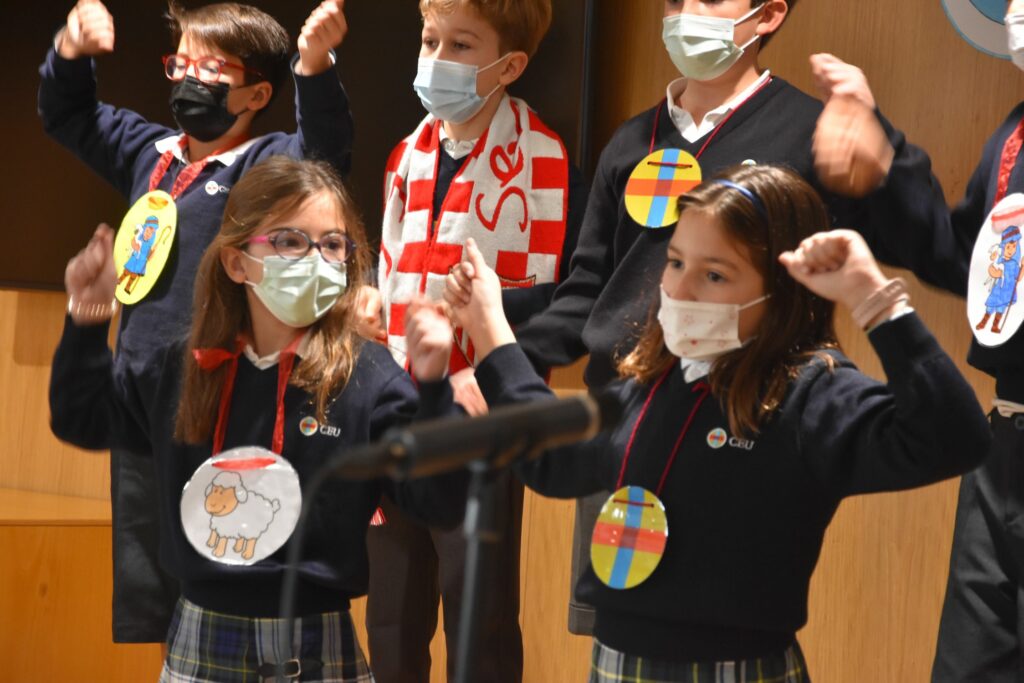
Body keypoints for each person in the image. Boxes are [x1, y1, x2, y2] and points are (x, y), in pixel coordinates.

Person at [443, 164, 990, 681]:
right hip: (617, 660)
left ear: (781, 290)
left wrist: (873, 299)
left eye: (714, 274)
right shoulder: (651, 382)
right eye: (675, 263)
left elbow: (953, 436)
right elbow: (553, 458)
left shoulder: (809, 394)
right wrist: (491, 332)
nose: (679, 290)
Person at [507, 0, 950, 634]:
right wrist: (508, 357)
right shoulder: (631, 141)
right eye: (674, 1)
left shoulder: (812, 133)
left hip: (746, 420)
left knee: (722, 621)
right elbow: (587, 290)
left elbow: (923, 239)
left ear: (767, 16)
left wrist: (885, 147)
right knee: (622, 627)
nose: (685, 11)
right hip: (629, 416)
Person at [49, 156, 467, 682]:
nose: (315, 259)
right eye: (291, 241)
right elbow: (81, 419)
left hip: (317, 644)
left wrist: (434, 388)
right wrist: (87, 318)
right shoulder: (184, 367)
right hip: (200, 639)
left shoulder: (367, 375)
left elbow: (439, 501)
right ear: (236, 262)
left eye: (332, 245)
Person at [38, 0, 354, 643]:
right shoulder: (150, 152)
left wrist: (315, 66)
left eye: (210, 69)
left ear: (257, 94)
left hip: (222, 407)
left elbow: (325, 153)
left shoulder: (267, 163)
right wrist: (70, 49)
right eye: (179, 63)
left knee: (219, 586)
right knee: (153, 597)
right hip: (138, 401)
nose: (188, 78)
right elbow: (67, 114)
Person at [362, 1, 586, 680]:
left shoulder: (545, 162)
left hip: (481, 420)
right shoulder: (406, 155)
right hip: (397, 408)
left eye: (461, 45)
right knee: (391, 617)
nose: (437, 59)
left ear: (509, 66)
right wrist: (370, 301)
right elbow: (392, 267)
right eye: (430, 40)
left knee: (477, 621)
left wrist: (488, 360)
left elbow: (557, 298)